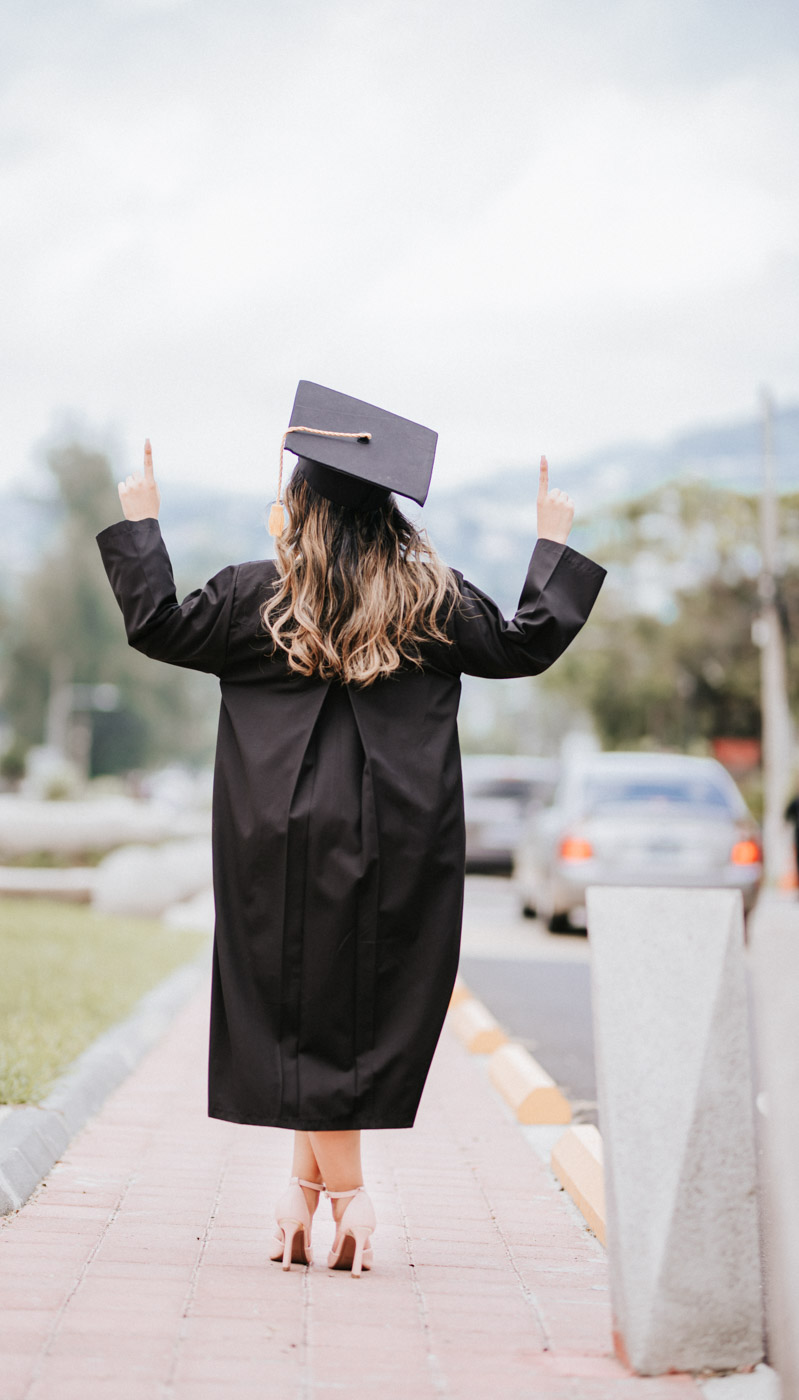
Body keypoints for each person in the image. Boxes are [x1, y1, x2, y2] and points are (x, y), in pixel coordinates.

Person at [96, 381, 606, 1279]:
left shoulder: (259, 596)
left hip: (272, 845)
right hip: (395, 843)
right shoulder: (430, 600)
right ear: (388, 520)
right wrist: (550, 545)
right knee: (348, 1017)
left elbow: (157, 624)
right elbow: (526, 642)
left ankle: (343, 1199)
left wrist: (142, 524)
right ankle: (304, 1198)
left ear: (298, 505)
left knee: (298, 1011)